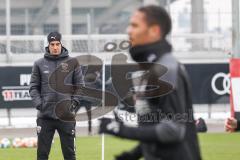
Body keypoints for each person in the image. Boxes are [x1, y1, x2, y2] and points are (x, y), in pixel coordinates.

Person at [99, 5, 202, 160]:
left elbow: (174, 130)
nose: (129, 30)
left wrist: (121, 130)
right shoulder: (152, 69)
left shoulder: (166, 68)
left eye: (135, 25)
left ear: (154, 30)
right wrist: (133, 155)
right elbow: (155, 127)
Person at [29, 31, 83, 160]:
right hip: (45, 117)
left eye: (57, 44)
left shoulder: (73, 62)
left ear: (61, 44)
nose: (55, 47)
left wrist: (73, 104)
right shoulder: (39, 64)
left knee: (70, 155)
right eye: (52, 44)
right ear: (48, 45)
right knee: (42, 155)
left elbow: (80, 86)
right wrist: (39, 104)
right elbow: (33, 87)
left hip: (66, 117)